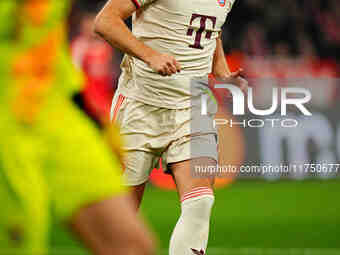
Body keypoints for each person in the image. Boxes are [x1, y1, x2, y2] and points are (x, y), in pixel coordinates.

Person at [0, 0, 155, 254]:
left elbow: (44, 38)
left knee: (131, 245)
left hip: (56, 107)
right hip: (7, 118)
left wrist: (88, 115)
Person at [94, 0, 248, 254]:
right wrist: (150, 55)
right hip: (140, 105)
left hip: (194, 106)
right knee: (120, 221)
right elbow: (105, 21)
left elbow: (211, 27)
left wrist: (220, 67)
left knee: (200, 202)